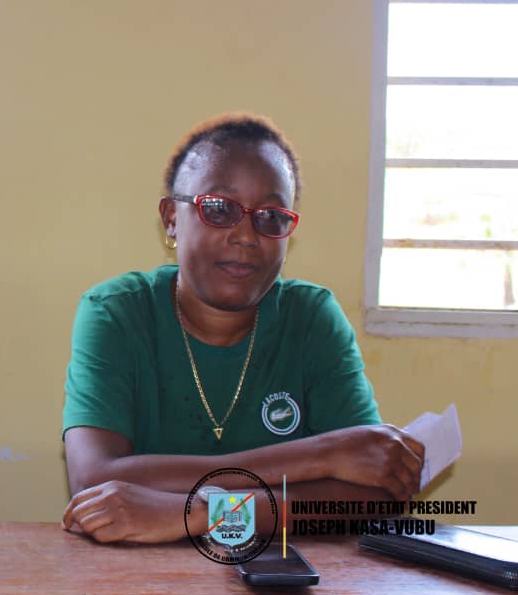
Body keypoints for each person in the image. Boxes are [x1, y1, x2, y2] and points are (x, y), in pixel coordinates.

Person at [61, 113, 424, 544]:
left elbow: (375, 491)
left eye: (271, 217)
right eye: (219, 209)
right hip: (132, 575)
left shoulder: (311, 318)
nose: (247, 236)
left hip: (290, 575)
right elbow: (94, 482)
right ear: (171, 218)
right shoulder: (117, 313)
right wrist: (323, 456)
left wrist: (202, 513)